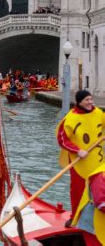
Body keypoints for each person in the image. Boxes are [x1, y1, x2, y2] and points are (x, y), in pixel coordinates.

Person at [56, 90, 105, 244]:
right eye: (87, 100)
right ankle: (75, 217)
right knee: (78, 191)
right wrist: (78, 150)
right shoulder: (70, 118)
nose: (90, 102)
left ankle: (99, 220)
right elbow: (62, 139)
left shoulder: (98, 113)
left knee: (100, 190)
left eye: (91, 99)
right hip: (80, 162)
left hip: (98, 160)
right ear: (78, 102)